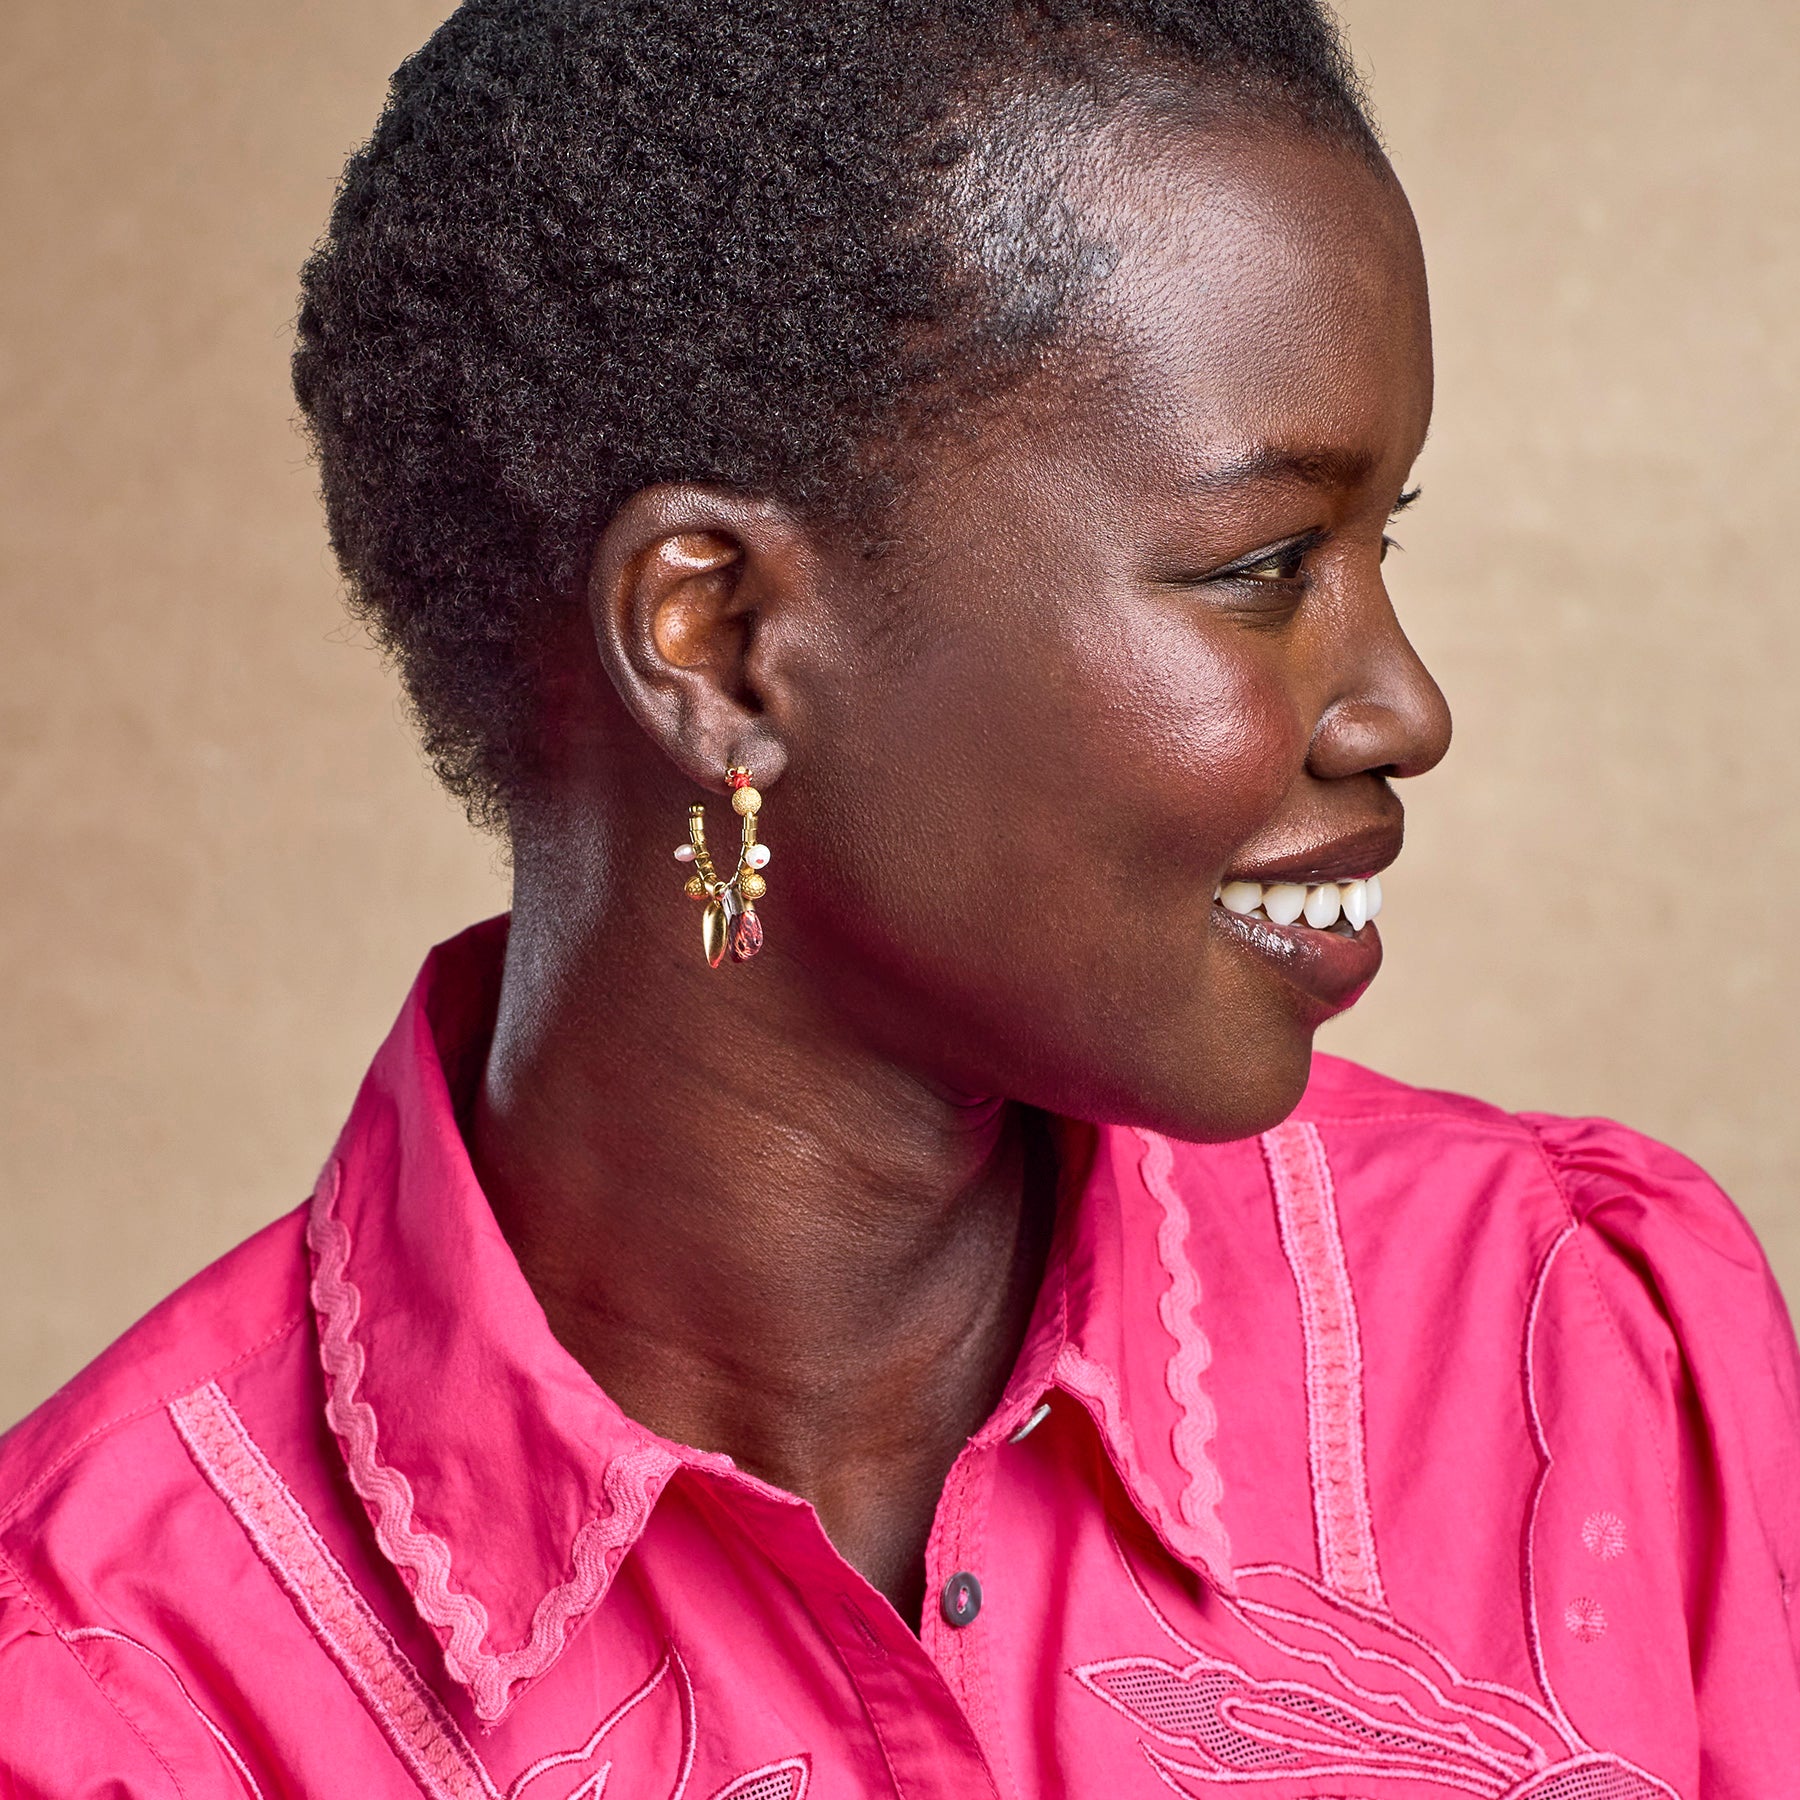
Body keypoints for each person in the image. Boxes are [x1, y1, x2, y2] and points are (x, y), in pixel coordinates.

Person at [3, 0, 1796, 1792]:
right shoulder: (115, 1702)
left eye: (1379, 546)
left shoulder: (1582, 1349)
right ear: (722, 640)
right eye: (1265, 567)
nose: (1406, 707)